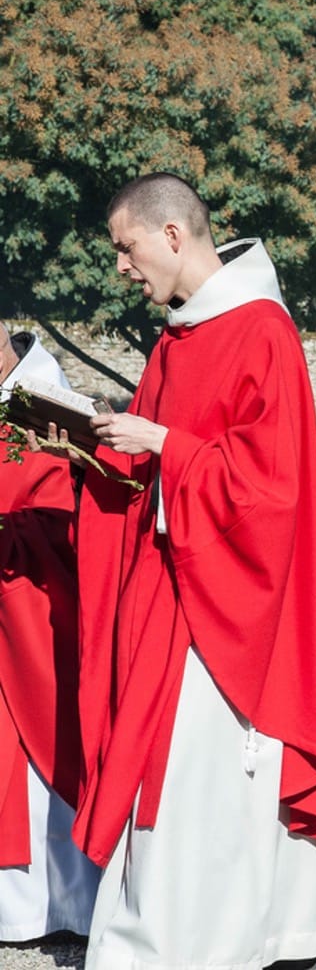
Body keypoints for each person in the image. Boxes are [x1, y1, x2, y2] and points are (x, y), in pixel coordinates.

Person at [63, 173, 316, 968]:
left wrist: (165, 446)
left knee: (208, 768)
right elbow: (159, 456)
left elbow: (271, 488)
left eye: (126, 247)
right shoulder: (182, 335)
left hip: (228, 600)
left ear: (173, 235)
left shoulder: (258, 331)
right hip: (176, 583)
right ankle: (297, 928)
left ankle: (199, 940)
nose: (121, 267)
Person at [0, 323, 100, 939]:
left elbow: (75, 510)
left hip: (38, 600)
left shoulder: (45, 396)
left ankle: (62, 905)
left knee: (50, 741)